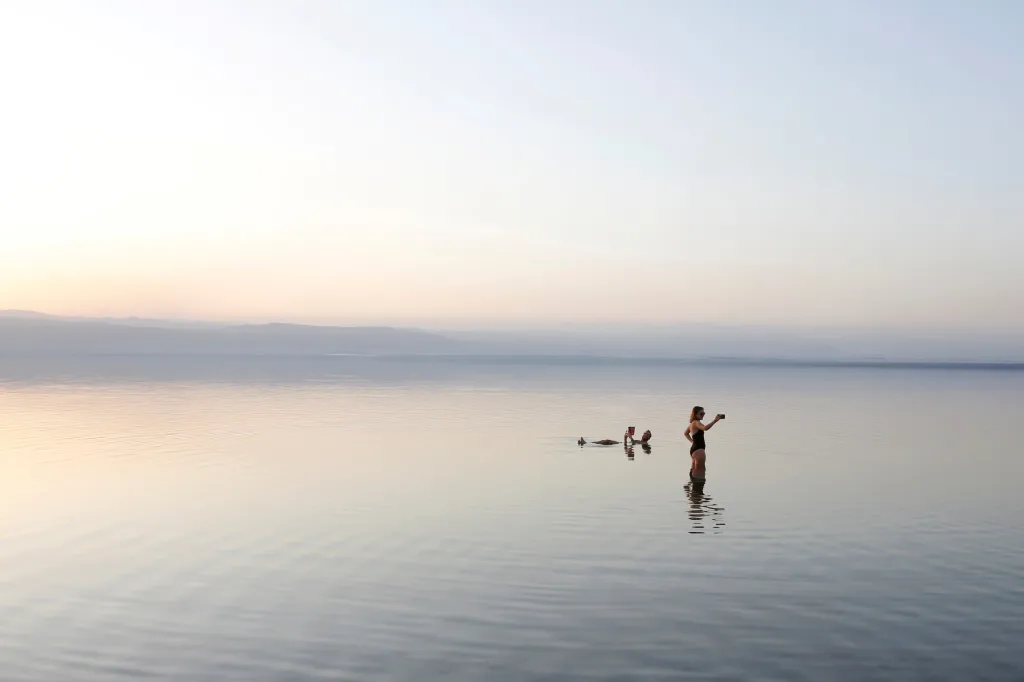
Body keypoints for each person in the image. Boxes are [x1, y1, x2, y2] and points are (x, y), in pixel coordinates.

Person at [684, 406, 724, 481]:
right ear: (695, 414)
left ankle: (691, 485)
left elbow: (686, 433)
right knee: (700, 473)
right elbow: (705, 428)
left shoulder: (692, 424)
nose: (703, 415)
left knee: (694, 470)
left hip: (694, 450)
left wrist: (692, 442)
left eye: (704, 413)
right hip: (699, 451)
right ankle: (697, 487)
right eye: (701, 414)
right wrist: (715, 420)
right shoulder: (696, 422)